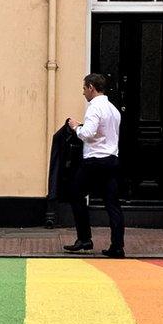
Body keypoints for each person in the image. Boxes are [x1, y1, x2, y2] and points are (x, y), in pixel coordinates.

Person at [64, 73, 125, 258]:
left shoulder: (94, 108)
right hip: (111, 160)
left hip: (94, 161)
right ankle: (117, 246)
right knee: (112, 204)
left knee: (75, 194)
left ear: (91, 87)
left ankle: (84, 239)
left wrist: (76, 127)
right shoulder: (113, 110)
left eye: (84, 88)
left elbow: (88, 133)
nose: (83, 93)